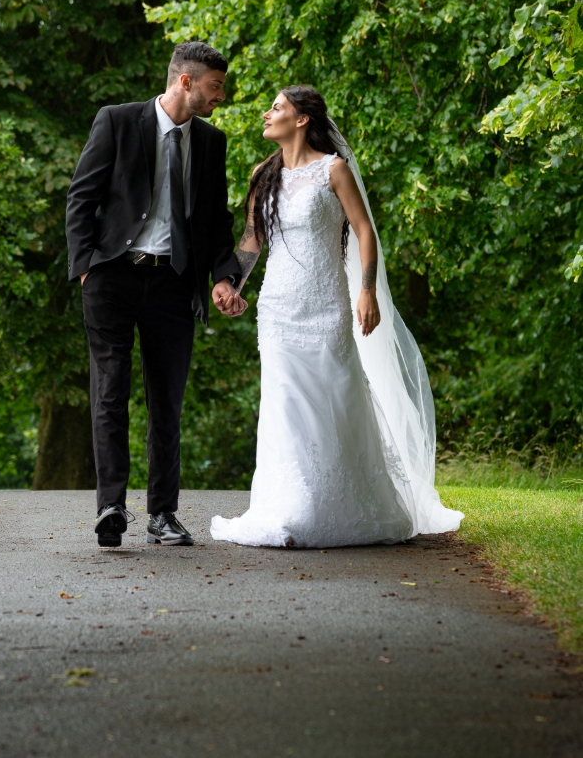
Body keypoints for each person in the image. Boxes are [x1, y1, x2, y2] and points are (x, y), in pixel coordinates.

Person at [211, 85, 463, 548]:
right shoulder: (262, 174)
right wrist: (233, 286)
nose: (267, 114)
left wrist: (366, 290)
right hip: (278, 310)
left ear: (302, 119)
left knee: (336, 398)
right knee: (285, 405)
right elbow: (251, 239)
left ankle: (342, 504)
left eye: (277, 108)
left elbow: (366, 232)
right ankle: (291, 507)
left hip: (327, 306)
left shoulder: (334, 171)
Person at [66, 41, 244, 548]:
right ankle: (111, 507)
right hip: (111, 278)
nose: (220, 97)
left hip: (173, 284)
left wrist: (224, 276)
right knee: (109, 393)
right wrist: (86, 270)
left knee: (167, 402)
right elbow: (82, 197)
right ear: (185, 81)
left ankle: (163, 514)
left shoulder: (211, 142)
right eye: (215, 86)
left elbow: (216, 222)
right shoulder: (117, 121)